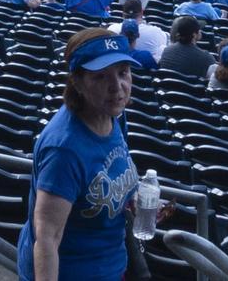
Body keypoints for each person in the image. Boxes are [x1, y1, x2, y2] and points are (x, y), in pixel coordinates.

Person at [17, 25, 146, 281]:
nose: (117, 87)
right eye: (101, 77)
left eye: (123, 73)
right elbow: (47, 239)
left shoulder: (115, 116)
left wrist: (133, 198)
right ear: (77, 82)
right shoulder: (64, 149)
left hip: (112, 264)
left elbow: (110, 170)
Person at [160, 16, 213, 81]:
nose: (200, 31)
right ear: (194, 35)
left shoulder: (167, 50)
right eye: (199, 29)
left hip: (167, 90)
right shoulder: (206, 57)